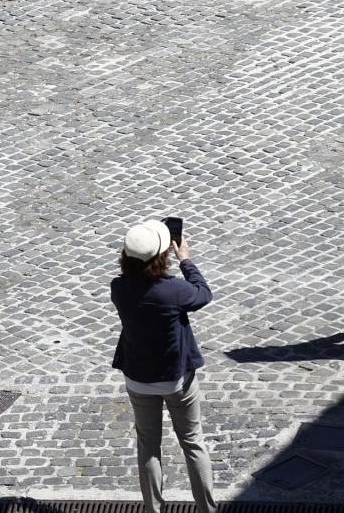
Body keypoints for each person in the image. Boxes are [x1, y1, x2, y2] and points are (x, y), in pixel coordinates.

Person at [110, 220, 216, 513]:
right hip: (176, 381)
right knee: (193, 443)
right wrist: (186, 260)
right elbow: (203, 293)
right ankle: (207, 510)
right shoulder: (175, 291)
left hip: (138, 381)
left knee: (148, 446)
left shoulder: (118, 287)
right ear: (161, 256)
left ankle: (153, 509)